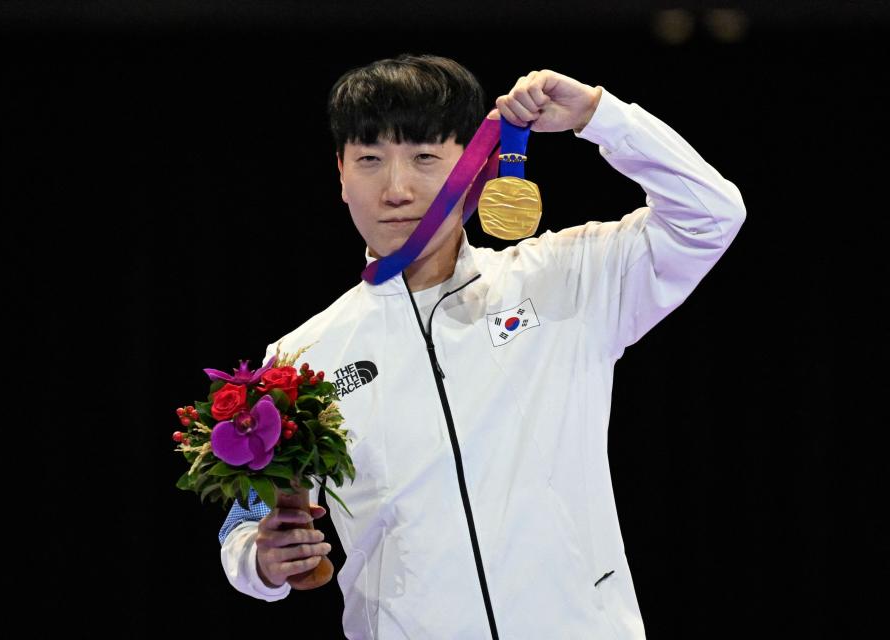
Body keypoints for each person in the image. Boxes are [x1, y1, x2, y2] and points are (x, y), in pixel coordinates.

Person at [218, 54, 745, 639]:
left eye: (424, 156)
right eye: (370, 160)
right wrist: (258, 560)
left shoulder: (563, 279)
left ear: (474, 166)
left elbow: (711, 215)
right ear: (340, 174)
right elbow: (247, 517)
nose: (396, 188)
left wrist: (599, 116)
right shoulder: (302, 357)